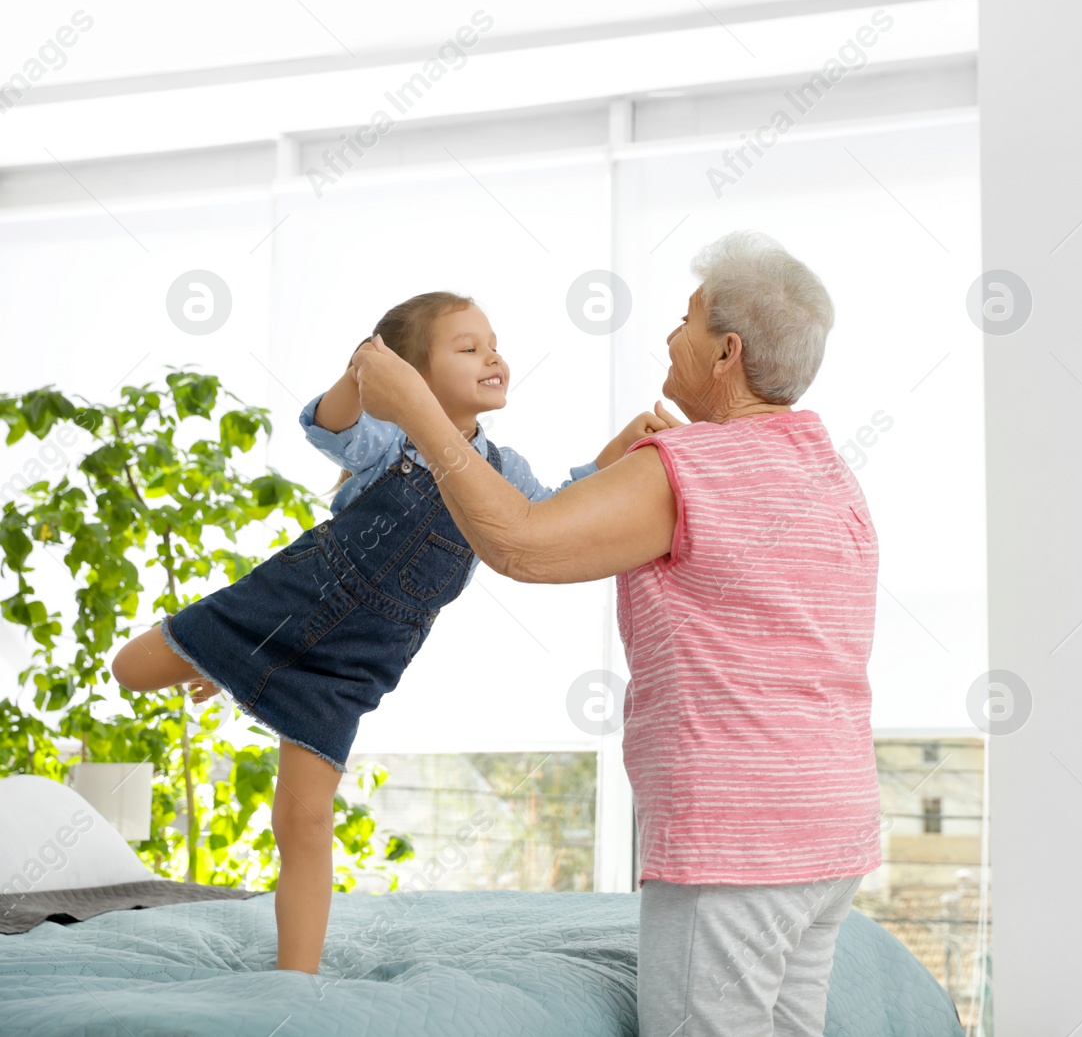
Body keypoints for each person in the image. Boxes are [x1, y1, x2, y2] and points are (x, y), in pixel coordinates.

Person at [352, 232, 881, 1036]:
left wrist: (419, 411)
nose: (672, 335)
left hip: (735, 843)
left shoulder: (684, 468)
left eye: (688, 319)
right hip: (829, 828)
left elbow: (521, 543)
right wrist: (629, 468)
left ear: (726, 352)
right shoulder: (823, 467)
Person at [110, 290, 669, 974]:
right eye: (467, 347)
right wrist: (360, 375)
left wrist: (621, 450)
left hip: (352, 668)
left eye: (493, 343)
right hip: (285, 602)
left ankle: (294, 978)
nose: (492, 355)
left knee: (304, 820)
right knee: (130, 669)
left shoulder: (502, 471)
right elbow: (331, 424)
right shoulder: (392, 439)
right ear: (415, 376)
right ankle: (225, 659)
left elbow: (554, 509)